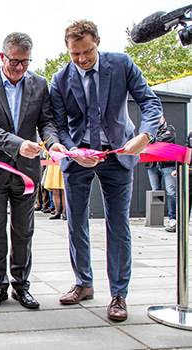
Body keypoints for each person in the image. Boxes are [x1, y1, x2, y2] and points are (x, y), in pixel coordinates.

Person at [50, 20, 163, 321]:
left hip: (119, 154)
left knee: (118, 224)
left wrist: (145, 136)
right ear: (68, 49)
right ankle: (83, 283)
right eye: (75, 54)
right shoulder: (59, 80)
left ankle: (118, 295)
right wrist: (73, 151)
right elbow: (60, 126)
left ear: (97, 41)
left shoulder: (122, 64)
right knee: (76, 222)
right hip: (78, 156)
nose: (82, 60)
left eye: (87, 51)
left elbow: (150, 103)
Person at [0, 32, 65, 310]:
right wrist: (18, 144)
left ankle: (21, 285)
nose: (20, 68)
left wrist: (53, 142)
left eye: (25, 62)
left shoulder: (39, 84)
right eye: (14, 62)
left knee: (24, 229)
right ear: (2, 57)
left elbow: (46, 121)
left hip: (27, 170)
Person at [145, 117, 176, 232]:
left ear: (163, 119)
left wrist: (152, 141)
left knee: (171, 191)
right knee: (156, 192)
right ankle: (156, 219)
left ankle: (173, 218)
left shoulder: (170, 129)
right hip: (152, 165)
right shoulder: (148, 130)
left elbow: (166, 139)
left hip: (167, 165)